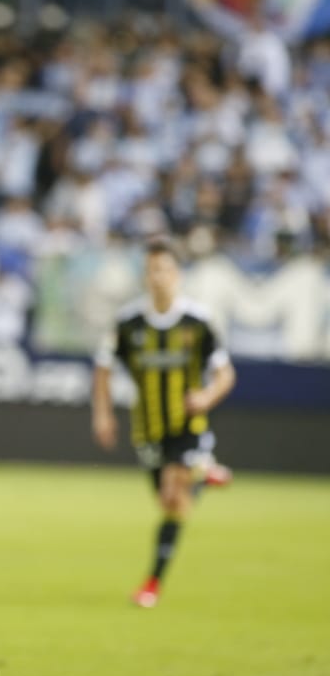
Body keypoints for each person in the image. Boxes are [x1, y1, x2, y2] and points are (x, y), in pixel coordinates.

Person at [92, 237, 237, 608]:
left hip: (188, 423)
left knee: (174, 493)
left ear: (179, 274)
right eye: (152, 270)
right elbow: (103, 369)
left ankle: (151, 584)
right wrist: (103, 413)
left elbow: (225, 374)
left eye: (165, 269)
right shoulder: (128, 322)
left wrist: (205, 396)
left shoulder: (198, 321)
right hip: (149, 428)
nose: (158, 277)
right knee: (170, 502)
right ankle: (202, 474)